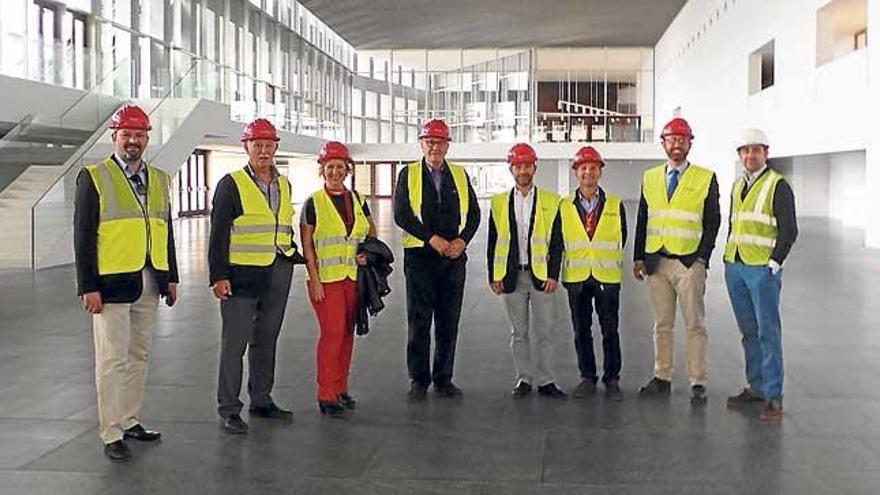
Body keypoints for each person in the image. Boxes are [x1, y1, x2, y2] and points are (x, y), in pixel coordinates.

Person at [73, 105, 178, 461]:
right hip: (111, 283)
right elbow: (83, 236)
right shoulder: (94, 176)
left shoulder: (160, 178)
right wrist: (88, 286)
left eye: (139, 135)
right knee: (111, 358)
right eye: (126, 135)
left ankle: (131, 419)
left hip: (149, 279)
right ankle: (111, 431)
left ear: (147, 138)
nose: (133, 141)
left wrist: (172, 277)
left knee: (139, 354)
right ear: (114, 137)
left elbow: (166, 231)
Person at [208, 118, 300, 434]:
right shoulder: (230, 184)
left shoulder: (284, 184)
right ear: (246, 146)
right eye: (257, 144)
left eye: (268, 145)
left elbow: (283, 224)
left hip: (278, 271)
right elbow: (218, 234)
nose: (263, 150)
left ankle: (261, 398)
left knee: (267, 340)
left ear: (276, 146)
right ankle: (229, 408)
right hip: (241, 275)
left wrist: (290, 253)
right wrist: (218, 276)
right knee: (235, 344)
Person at [633, 117, 721, 405]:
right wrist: (638, 257)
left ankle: (697, 380)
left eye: (682, 139)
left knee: (695, 323)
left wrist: (702, 259)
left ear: (690, 143)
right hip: (657, 262)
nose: (676, 145)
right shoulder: (649, 177)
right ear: (663, 144)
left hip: (688, 263)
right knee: (662, 324)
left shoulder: (705, 177)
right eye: (671, 140)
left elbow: (713, 221)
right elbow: (643, 219)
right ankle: (662, 376)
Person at [393, 118, 480, 401]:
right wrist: (432, 239)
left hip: (453, 261)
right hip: (420, 259)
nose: (434, 147)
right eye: (429, 141)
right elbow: (402, 214)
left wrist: (462, 241)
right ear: (422, 144)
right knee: (419, 320)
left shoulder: (460, 175)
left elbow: (475, 214)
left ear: (447, 145)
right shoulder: (408, 174)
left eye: (440, 142)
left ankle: (444, 378)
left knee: (448, 321)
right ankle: (419, 379)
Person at [723, 128, 797, 421]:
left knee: (768, 333)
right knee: (749, 333)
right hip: (736, 265)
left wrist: (774, 264)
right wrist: (728, 259)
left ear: (766, 153)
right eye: (745, 150)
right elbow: (735, 223)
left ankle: (773, 397)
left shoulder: (778, 185)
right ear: (740, 155)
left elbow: (789, 230)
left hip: (762, 270)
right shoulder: (736, 185)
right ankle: (756, 387)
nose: (750, 155)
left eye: (756, 150)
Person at [301, 141, 377, 417]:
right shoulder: (313, 202)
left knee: (347, 334)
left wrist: (366, 254)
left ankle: (341, 387)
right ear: (322, 170)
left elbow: (371, 234)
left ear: (348, 169)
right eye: (330, 167)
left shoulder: (357, 199)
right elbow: (307, 244)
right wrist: (315, 280)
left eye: (340, 167)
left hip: (352, 278)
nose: (335, 171)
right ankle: (326, 393)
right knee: (331, 334)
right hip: (327, 280)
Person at [487, 143, 566, 399]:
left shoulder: (551, 201)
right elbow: (493, 241)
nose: (523, 170)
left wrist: (554, 274)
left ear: (535, 167)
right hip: (512, 277)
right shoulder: (499, 203)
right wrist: (493, 275)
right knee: (518, 333)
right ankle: (523, 379)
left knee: (545, 331)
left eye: (527, 165)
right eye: (518, 166)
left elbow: (556, 241)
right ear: (511, 169)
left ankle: (546, 381)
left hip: (541, 276)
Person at [554, 146, 627, 401]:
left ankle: (612, 378)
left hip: (607, 277)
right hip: (577, 278)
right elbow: (556, 242)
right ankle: (587, 376)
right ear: (576, 172)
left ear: (600, 172)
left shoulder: (616, 205)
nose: (588, 172)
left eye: (593, 168)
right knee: (581, 330)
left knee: (610, 329)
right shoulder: (563, 206)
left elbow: (623, 237)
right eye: (583, 168)